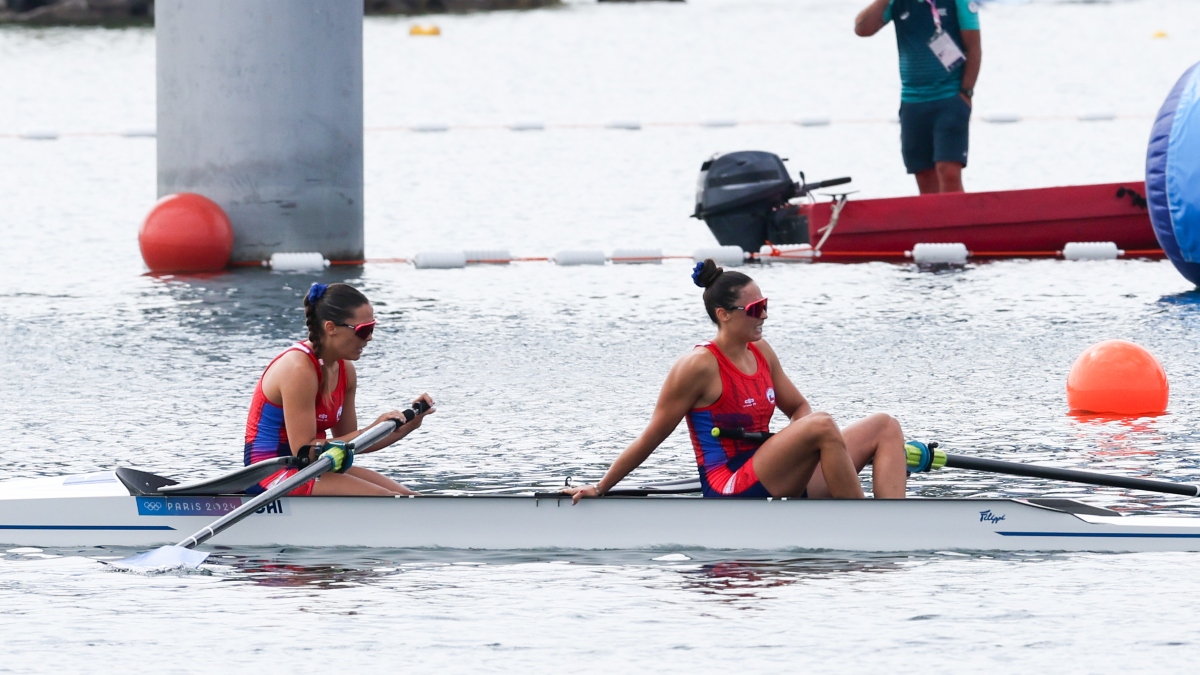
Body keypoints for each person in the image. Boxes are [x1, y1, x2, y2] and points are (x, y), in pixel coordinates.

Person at [563, 260, 908, 503]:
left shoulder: (761, 351)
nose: (765, 315)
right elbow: (652, 435)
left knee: (884, 425)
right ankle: (864, 527)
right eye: (756, 308)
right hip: (728, 482)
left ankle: (896, 524)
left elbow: (799, 407)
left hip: (771, 469)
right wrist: (602, 486)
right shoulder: (697, 366)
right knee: (822, 426)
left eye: (765, 305)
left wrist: (798, 441)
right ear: (724, 315)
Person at [244, 282, 434, 496]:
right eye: (364, 330)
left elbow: (352, 443)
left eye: (373, 327)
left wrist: (409, 425)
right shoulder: (298, 369)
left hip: (311, 469)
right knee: (391, 501)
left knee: (413, 499)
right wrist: (369, 429)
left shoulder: (346, 370)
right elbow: (305, 451)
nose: (370, 337)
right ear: (331, 328)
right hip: (271, 475)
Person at [855, 0, 981, 194]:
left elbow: (974, 48)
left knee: (948, 171)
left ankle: (958, 223)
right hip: (913, 101)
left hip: (950, 98)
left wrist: (966, 92)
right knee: (924, 175)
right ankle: (935, 223)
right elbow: (862, 29)